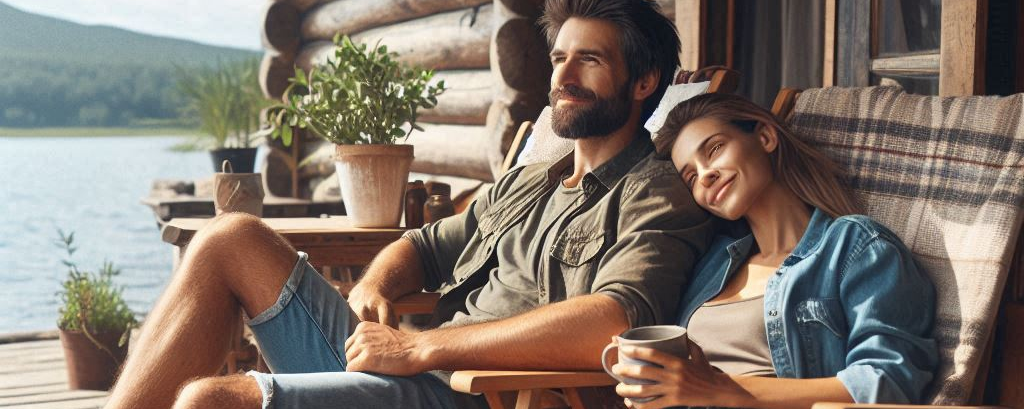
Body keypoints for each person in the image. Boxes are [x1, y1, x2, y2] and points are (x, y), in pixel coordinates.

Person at [105, 1, 713, 408]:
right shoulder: (532, 180)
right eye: (559, 58)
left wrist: (424, 348)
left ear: (643, 82)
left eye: (590, 59)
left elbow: (615, 323)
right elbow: (419, 246)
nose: (563, 76)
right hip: (412, 366)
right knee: (228, 237)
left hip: (478, 393)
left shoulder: (655, 190)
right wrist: (376, 288)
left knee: (210, 401)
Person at [608, 93, 938, 409]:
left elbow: (886, 383)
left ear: (765, 137)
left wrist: (717, 388)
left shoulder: (853, 246)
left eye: (715, 149)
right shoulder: (712, 265)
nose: (706, 175)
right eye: (691, 176)